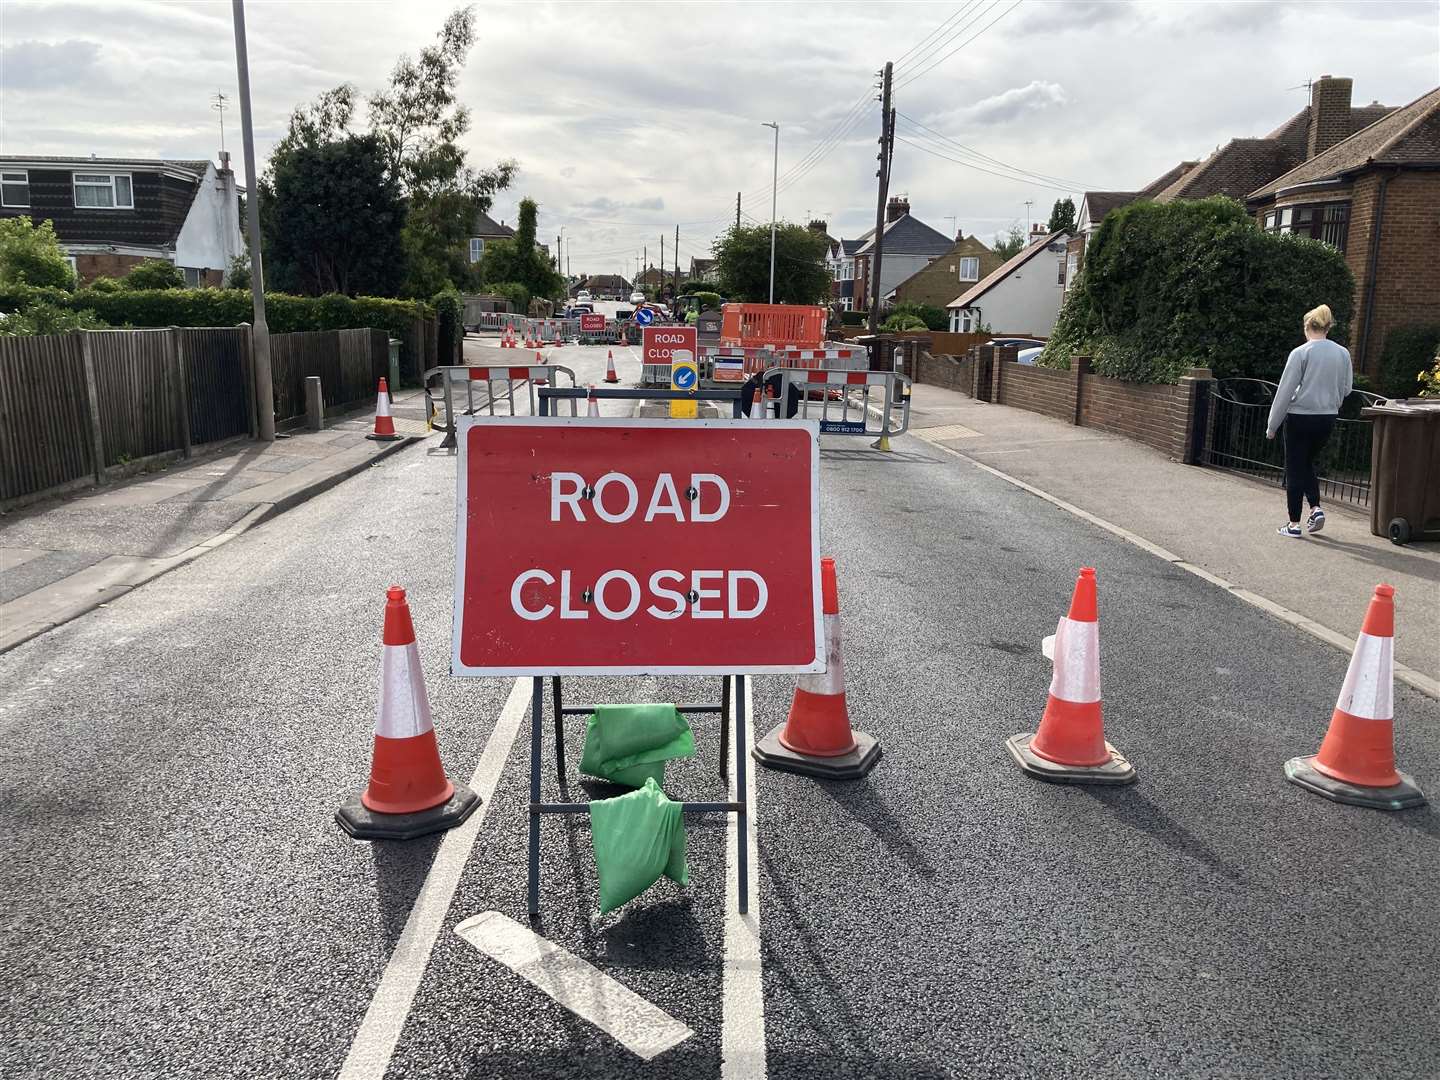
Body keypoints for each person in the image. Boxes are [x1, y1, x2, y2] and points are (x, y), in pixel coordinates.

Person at [1265, 304, 1352, 538]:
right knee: (1305, 464)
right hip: (1327, 418)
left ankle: (1294, 524)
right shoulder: (1343, 353)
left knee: (1295, 468)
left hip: (1299, 418)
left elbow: (1285, 391)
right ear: (1328, 327)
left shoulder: (1301, 353)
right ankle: (1315, 508)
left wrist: (1272, 426)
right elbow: (1347, 389)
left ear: (1307, 327)